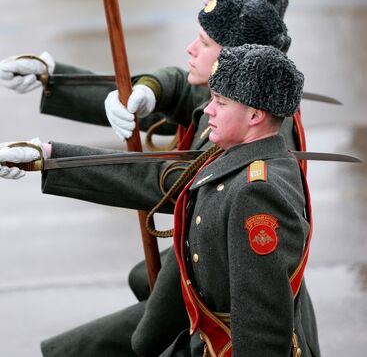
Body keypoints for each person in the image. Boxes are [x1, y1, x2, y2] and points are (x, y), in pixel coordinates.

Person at [0, 43, 315, 355]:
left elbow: (260, 326)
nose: (208, 110)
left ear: (256, 115)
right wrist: (50, 157)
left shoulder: (255, 191)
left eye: (220, 102)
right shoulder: (232, 155)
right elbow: (170, 145)